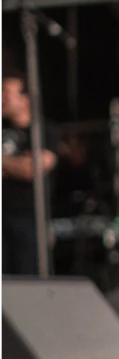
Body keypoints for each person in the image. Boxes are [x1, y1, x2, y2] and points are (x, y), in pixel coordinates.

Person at [2, 65, 59, 275]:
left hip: (29, 221)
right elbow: (25, 166)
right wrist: (16, 164)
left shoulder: (44, 131)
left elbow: (31, 169)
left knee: (28, 284)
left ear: (25, 98)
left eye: (6, 92)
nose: (1, 98)